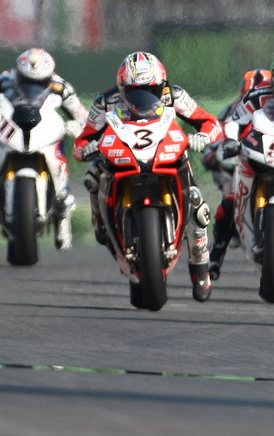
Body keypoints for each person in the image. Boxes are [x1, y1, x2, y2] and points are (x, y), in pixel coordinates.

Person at [73, 51, 220, 299]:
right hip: (123, 156)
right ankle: (100, 220)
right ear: (122, 88)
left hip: (168, 154)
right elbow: (83, 139)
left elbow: (209, 122)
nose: (144, 97)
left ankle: (200, 269)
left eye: (152, 90)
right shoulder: (105, 102)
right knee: (93, 175)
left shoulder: (174, 95)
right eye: (134, 91)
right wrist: (86, 148)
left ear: (161, 84)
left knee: (197, 203)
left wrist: (203, 137)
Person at [203, 51, 274, 278]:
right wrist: (229, 142)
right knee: (230, 197)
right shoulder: (258, 95)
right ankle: (215, 256)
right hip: (257, 154)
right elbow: (231, 122)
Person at [0, 47, 88, 251]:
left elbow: (80, 113)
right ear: (18, 73)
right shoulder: (1, 83)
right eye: (26, 80)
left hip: (44, 134)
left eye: (39, 82)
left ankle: (62, 210)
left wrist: (79, 125)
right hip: (11, 132)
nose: (32, 85)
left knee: (59, 156)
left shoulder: (61, 86)